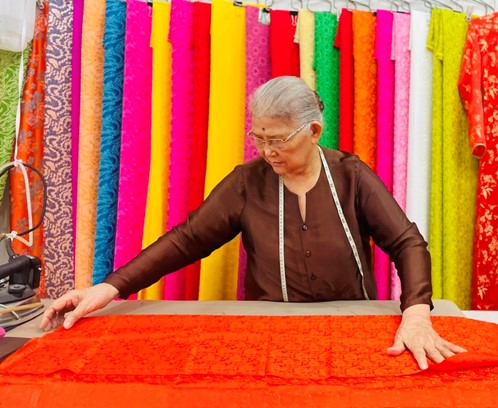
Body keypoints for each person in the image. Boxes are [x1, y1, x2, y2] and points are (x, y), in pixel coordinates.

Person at [41, 76, 466, 369]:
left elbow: (408, 243)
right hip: (267, 332)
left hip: (354, 326)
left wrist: (415, 313)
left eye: (277, 139)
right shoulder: (247, 182)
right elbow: (187, 239)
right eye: (258, 138)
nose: (266, 151)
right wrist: (109, 288)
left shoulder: (352, 176)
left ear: (314, 130)